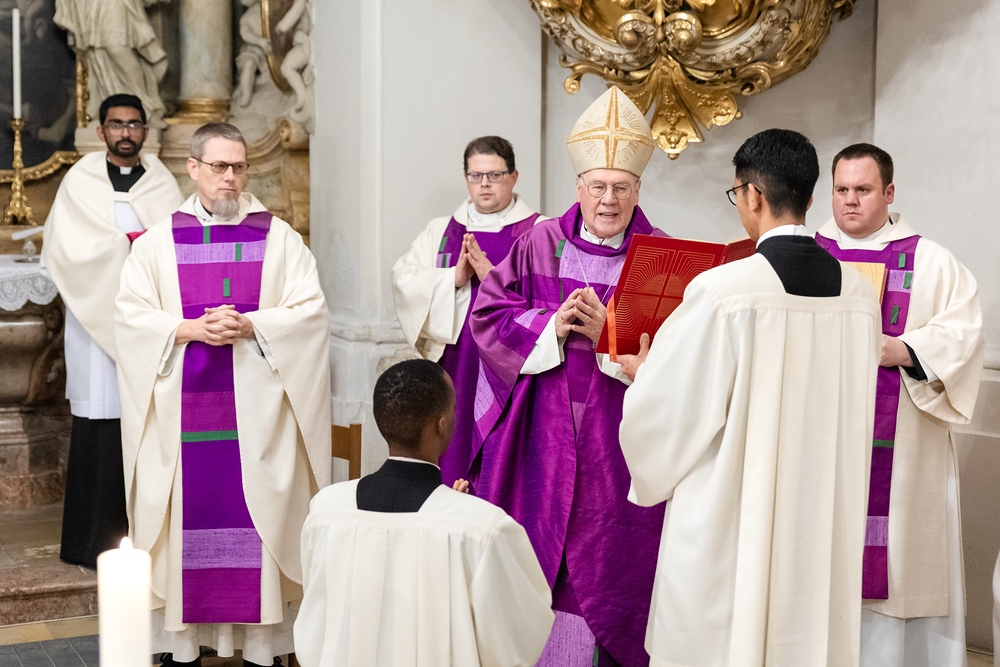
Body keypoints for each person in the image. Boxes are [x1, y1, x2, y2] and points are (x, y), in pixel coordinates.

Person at [618, 128, 882, 666]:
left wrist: (645, 375)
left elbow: (671, 414)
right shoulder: (858, 295)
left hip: (734, 520)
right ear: (812, 198)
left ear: (752, 195)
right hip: (819, 520)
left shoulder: (724, 291)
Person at [114, 123, 331, 667]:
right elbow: (130, 316)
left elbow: (310, 313)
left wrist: (252, 324)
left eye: (239, 166)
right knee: (187, 519)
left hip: (257, 418)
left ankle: (261, 648)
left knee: (257, 521)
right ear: (193, 168)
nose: (230, 177)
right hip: (183, 418)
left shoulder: (279, 239)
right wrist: (189, 329)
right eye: (219, 166)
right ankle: (184, 646)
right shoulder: (159, 242)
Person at [469, 86, 666, 667]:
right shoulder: (540, 241)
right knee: (538, 554)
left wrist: (611, 333)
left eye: (621, 187)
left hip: (617, 444)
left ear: (638, 190)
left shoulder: (660, 256)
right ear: (578, 186)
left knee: (607, 563)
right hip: (541, 437)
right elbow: (487, 315)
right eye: (598, 186)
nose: (608, 200)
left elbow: (682, 355)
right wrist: (550, 326)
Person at [814, 143, 984, 667]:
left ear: (889, 193)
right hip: (819, 439)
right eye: (841, 189)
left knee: (901, 561)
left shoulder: (932, 261)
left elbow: (963, 333)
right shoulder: (808, 254)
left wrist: (904, 350)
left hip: (901, 451)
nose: (850, 201)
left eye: (863, 190)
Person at [294, 359, 555, 667]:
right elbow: (519, 637)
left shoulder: (326, 512)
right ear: (442, 424)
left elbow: (314, 628)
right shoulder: (483, 528)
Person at [42, 93, 183, 568]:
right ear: (101, 131)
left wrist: (141, 248)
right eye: (117, 124)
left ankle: (143, 539)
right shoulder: (80, 181)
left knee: (142, 425)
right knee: (96, 425)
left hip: (145, 324)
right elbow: (66, 249)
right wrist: (128, 245)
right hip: (93, 321)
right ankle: (87, 544)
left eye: (134, 124)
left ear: (146, 131)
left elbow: (175, 247)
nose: (126, 132)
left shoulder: (162, 184)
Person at [391, 135, 542, 488]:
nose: (484, 184)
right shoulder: (441, 230)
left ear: (513, 177)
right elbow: (404, 282)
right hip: (457, 363)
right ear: (466, 178)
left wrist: (494, 279)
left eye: (494, 175)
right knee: (454, 444)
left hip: (509, 365)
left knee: (504, 450)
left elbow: (549, 301)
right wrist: (453, 279)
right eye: (476, 176)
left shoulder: (539, 231)